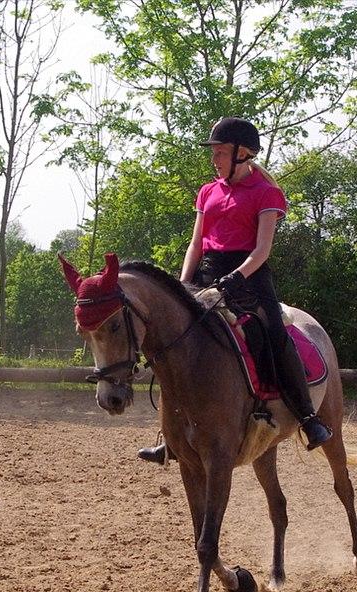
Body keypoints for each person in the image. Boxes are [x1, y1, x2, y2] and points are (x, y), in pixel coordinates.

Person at [138, 117, 332, 464]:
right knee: (175, 339)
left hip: (251, 278)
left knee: (274, 332)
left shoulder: (266, 193)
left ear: (243, 154)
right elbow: (196, 244)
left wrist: (237, 277)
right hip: (206, 272)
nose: (214, 159)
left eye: (221, 152)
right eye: (214, 152)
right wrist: (184, 284)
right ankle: (170, 435)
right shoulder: (207, 191)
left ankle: (307, 416)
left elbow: (262, 251)